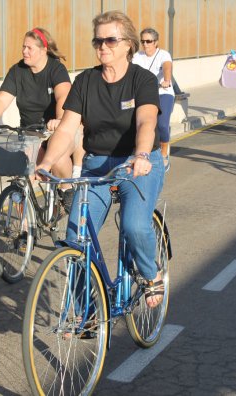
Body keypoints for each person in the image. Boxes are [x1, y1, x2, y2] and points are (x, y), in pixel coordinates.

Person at [37, 10, 165, 308]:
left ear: (128, 45)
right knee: (76, 236)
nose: (102, 46)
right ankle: (87, 311)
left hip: (137, 163)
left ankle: (150, 274)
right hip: (97, 165)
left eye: (110, 39)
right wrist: (45, 163)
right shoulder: (85, 81)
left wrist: (143, 154)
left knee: (134, 226)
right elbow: (68, 128)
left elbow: (147, 121)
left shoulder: (142, 80)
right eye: (98, 40)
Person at [0, 27, 78, 205]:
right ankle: (24, 229)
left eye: (29, 48)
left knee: (58, 159)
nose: (24, 51)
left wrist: (59, 119)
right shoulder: (17, 71)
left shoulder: (56, 69)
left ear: (43, 50)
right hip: (29, 133)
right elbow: (3, 98)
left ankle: (66, 190)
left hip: (54, 131)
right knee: (21, 177)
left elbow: (63, 95)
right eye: (23, 47)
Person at [132, 28, 175, 171]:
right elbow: (132, 71)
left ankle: (164, 153)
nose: (145, 44)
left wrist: (167, 80)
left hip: (163, 92)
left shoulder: (163, 54)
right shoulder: (138, 56)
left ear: (156, 42)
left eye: (149, 41)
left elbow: (167, 66)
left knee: (162, 125)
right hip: (144, 94)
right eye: (143, 41)